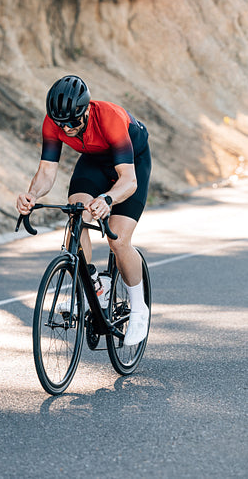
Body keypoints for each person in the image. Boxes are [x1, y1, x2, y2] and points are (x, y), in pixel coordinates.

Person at [16, 75, 152, 346]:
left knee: (118, 240)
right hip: (93, 162)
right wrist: (31, 195)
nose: (66, 129)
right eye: (60, 123)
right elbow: (46, 171)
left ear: (86, 110)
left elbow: (128, 180)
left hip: (130, 165)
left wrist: (108, 199)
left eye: (72, 123)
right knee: (77, 213)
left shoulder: (110, 119)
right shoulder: (54, 122)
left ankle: (139, 310)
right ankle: (90, 282)